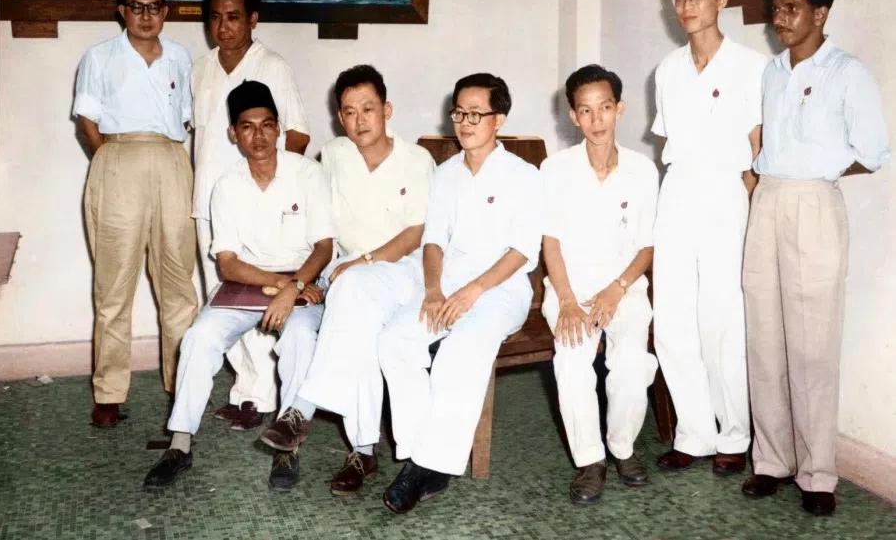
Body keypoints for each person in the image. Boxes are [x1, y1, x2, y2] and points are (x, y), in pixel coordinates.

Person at [741, 0, 890, 516]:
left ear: (820, 13)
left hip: (814, 204)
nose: (780, 19)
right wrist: (765, 182)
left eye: (792, 8)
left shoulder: (846, 71)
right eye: (775, 8)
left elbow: (872, 152)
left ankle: (818, 474)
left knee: (812, 344)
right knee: (764, 335)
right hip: (767, 200)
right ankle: (772, 462)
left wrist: (815, 171)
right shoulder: (773, 72)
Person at [143, 81, 335, 490]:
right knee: (198, 337)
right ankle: (179, 444)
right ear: (233, 133)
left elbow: (324, 246)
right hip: (253, 283)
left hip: (304, 282)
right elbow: (228, 264)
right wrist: (282, 285)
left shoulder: (307, 173)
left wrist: (298, 284)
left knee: (300, 336)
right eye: (247, 127)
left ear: (279, 128)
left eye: (267, 125)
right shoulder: (227, 184)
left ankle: (288, 448)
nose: (259, 136)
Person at [261, 65, 436, 495]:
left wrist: (364, 262)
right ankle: (363, 451)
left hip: (403, 270)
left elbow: (416, 233)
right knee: (356, 320)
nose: (360, 120)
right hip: (345, 272)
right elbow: (320, 226)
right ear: (341, 118)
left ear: (387, 110)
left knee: (353, 293)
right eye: (350, 112)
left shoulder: (417, 159)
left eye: (369, 109)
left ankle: (302, 407)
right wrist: (306, 278)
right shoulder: (334, 154)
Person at [377, 74, 543, 514]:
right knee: (395, 339)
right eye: (459, 113)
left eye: (476, 113)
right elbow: (432, 240)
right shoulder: (446, 172)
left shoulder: (523, 175)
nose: (465, 122)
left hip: (502, 290)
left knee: (458, 352)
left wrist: (473, 292)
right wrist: (432, 290)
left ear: (499, 119)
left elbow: (523, 249)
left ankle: (425, 470)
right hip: (447, 285)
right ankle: (421, 455)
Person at [650, 0, 767, 476]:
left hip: (726, 192)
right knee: (673, 320)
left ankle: (734, 435)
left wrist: (747, 199)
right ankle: (693, 433)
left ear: (721, 1)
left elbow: (759, 147)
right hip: (677, 191)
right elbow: (666, 143)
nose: (686, 7)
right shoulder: (667, 70)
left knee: (722, 319)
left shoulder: (752, 66)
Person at [74, 0, 198, 429]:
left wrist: (166, 159)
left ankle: (182, 386)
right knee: (113, 283)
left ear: (164, 11)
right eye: (136, 6)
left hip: (169, 160)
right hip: (118, 158)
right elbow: (87, 121)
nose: (146, 16)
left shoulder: (181, 58)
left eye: (154, 7)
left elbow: (185, 121)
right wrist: (112, 160)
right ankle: (108, 393)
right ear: (122, 10)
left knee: (177, 282)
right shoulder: (100, 56)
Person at [192, 0, 311, 432]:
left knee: (262, 296)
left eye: (234, 16)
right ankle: (246, 392)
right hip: (208, 201)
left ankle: (263, 397)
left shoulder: (272, 66)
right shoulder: (200, 69)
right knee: (222, 300)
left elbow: (296, 135)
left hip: (260, 204)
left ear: (253, 20)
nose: (223, 26)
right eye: (216, 17)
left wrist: (279, 196)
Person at [542, 65, 659, 504]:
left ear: (619, 109)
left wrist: (618, 288)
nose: (596, 120)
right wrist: (568, 301)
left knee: (630, 358)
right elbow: (549, 242)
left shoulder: (643, 170)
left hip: (623, 284)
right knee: (572, 357)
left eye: (604, 108)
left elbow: (647, 246)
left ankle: (623, 448)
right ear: (573, 116)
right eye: (586, 111)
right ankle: (590, 460)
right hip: (569, 284)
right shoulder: (555, 169)